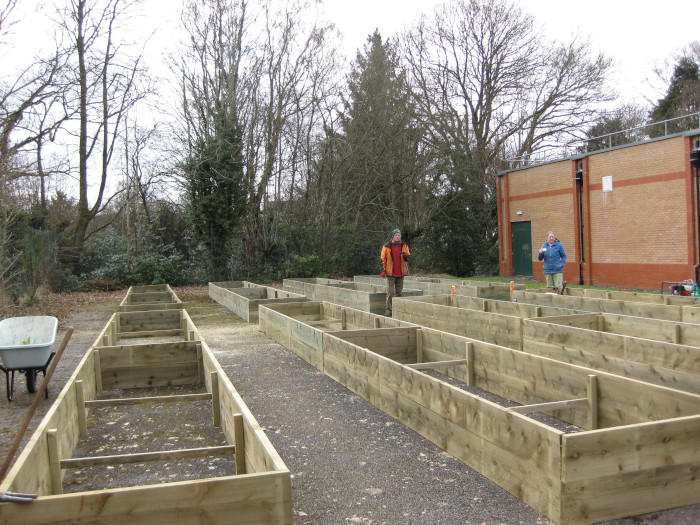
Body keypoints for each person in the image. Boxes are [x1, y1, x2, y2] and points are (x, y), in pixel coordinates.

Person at [380, 228, 411, 316]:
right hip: (390, 273)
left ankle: (398, 310)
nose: (397, 237)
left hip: (401, 273)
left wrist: (405, 256)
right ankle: (389, 310)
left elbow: (408, 258)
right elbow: (382, 259)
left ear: (400, 236)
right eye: (396, 235)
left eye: (399, 235)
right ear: (393, 236)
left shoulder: (404, 246)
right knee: (390, 292)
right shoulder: (386, 246)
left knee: (399, 293)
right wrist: (383, 270)